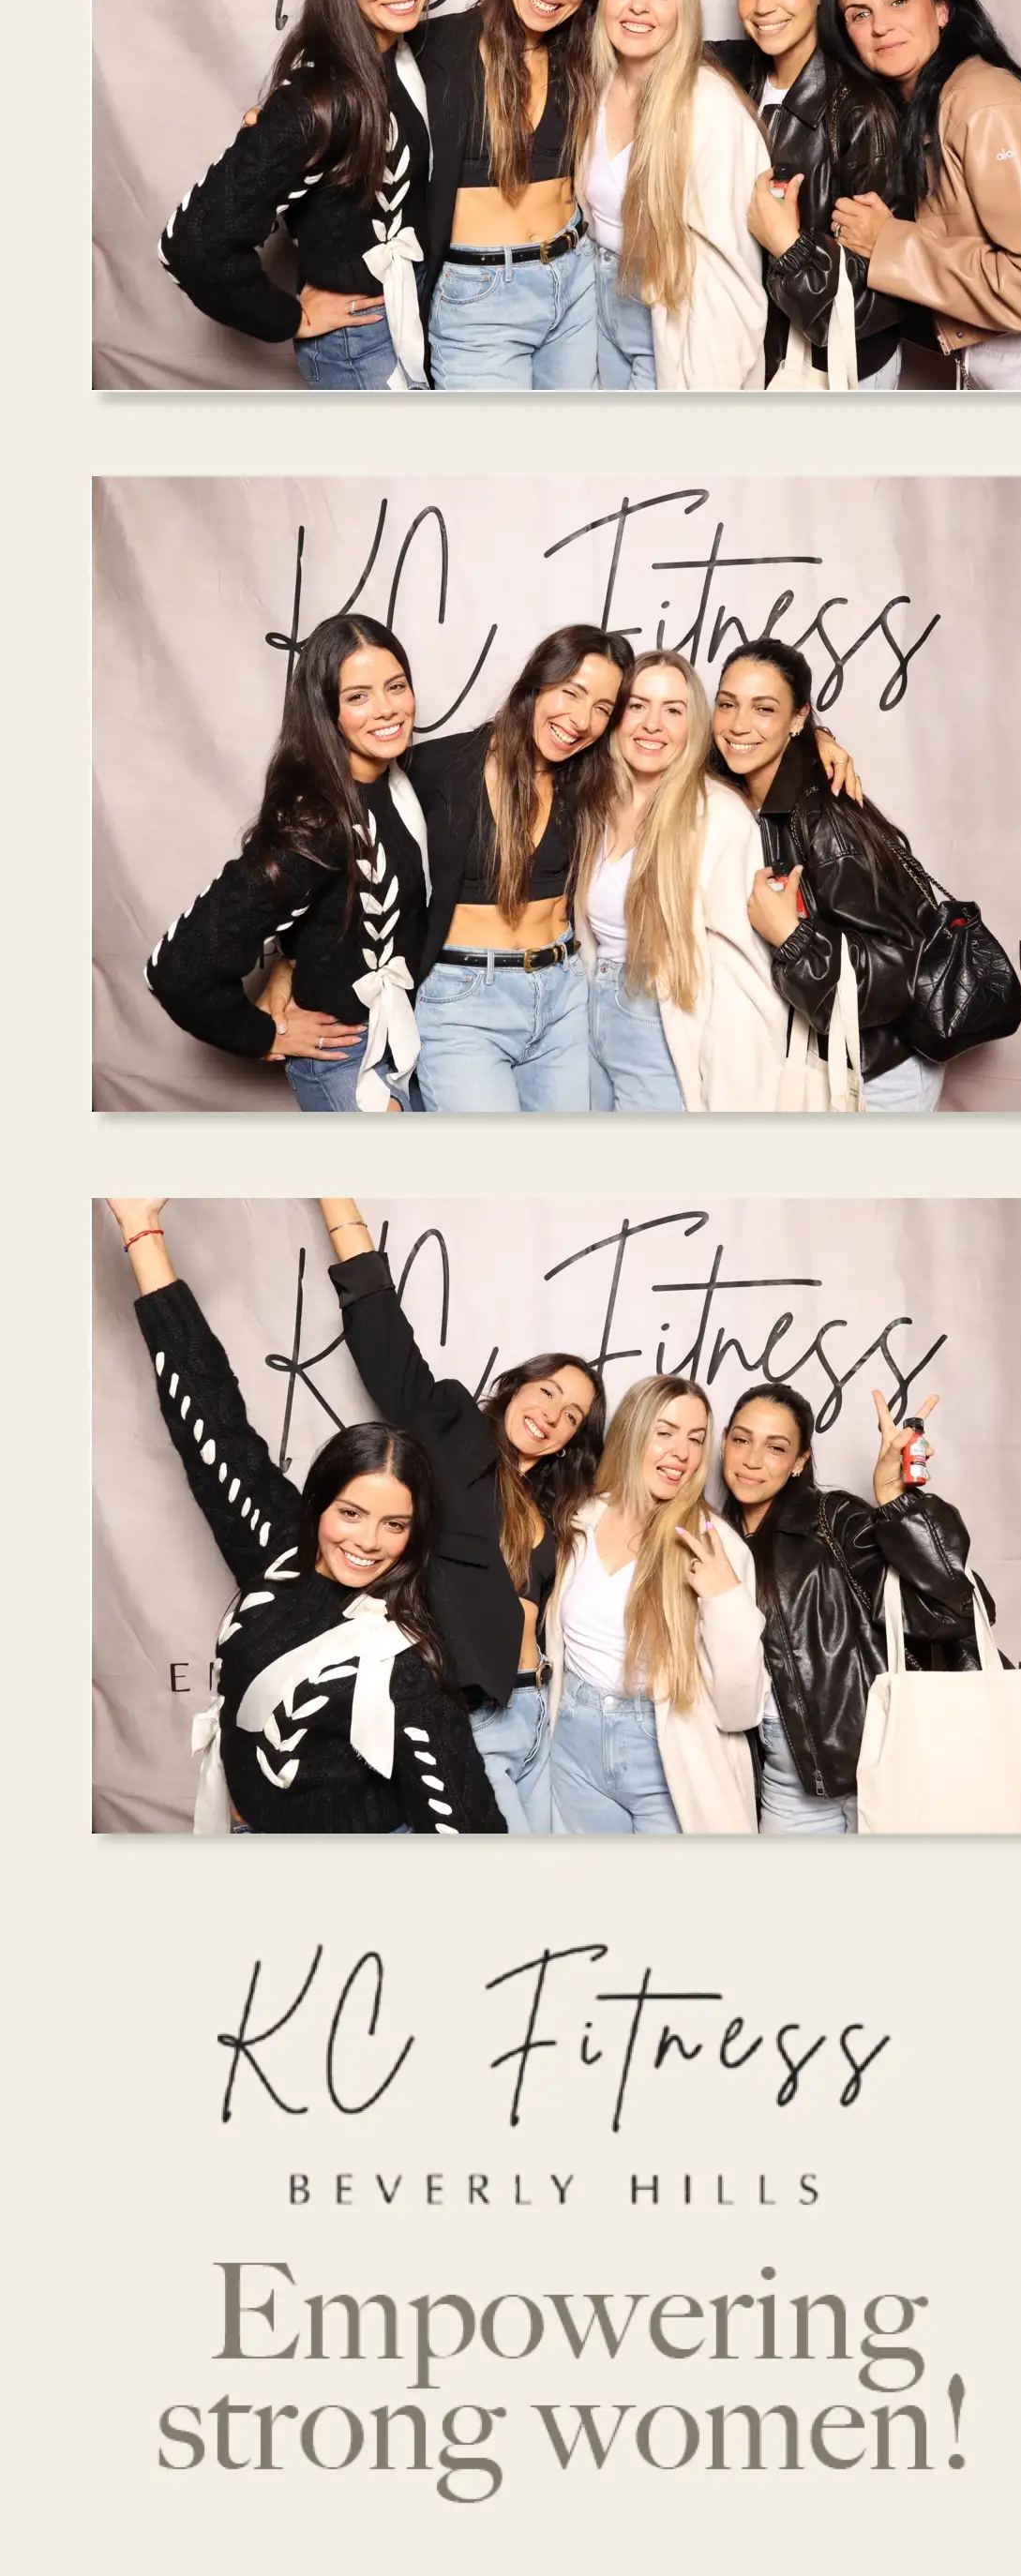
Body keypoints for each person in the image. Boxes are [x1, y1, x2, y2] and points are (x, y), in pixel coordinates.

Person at [106, 1200, 505, 1834]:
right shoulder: (279, 1550)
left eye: (394, 1525)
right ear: (319, 1501)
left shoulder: (406, 1659)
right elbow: (207, 1412)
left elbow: (470, 1829)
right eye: (351, 1512)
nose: (368, 1542)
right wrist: (141, 1230)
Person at [318, 1198, 605, 1832]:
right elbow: (386, 1344)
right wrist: (337, 1203)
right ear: (517, 1386)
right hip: (469, 1715)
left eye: (573, 1416)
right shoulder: (451, 1436)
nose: (552, 1416)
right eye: (547, 1392)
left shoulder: (557, 1507)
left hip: (536, 1716)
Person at [710, 638, 1021, 1112]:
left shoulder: (825, 824)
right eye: (727, 704)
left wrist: (793, 939)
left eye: (764, 709)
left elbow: (903, 968)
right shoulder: (752, 787)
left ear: (798, 718)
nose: (738, 725)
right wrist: (820, 736)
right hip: (834, 1062)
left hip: (881, 1075)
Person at [145, 617, 429, 1113]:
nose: (386, 709)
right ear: (327, 710)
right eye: (358, 696)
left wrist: (288, 961)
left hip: (396, 1038)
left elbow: (332, 909)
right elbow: (174, 970)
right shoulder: (315, 821)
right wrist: (264, 1035)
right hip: (341, 1056)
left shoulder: (396, 784)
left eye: (396, 687)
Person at [159, 0, 434, 390]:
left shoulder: (402, 54)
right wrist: (290, 317)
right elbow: (191, 244)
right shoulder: (317, 99)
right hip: (358, 344)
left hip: (412, 316)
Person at [574, 650, 861, 1111]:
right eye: (637, 705)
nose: (652, 724)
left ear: (695, 727)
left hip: (662, 1024)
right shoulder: (590, 801)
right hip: (585, 1014)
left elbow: (747, 974)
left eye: (673, 710)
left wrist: (730, 1090)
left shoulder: (717, 814)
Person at [719, 1380, 998, 1832]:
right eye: (741, 1440)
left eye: (775, 1447)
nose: (752, 1460)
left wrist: (896, 1500)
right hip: (789, 1777)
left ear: (799, 1462)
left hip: (884, 1760)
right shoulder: (714, 1538)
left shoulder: (832, 1519)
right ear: (724, 1442)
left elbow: (951, 1604)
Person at [406, 624, 631, 1114]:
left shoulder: (591, 782)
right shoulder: (435, 766)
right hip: (463, 1000)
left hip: (563, 996)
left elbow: (682, 748)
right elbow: (343, 835)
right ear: (537, 681)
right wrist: (288, 962)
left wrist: (810, 739)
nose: (581, 720)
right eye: (572, 692)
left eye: (602, 709)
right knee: (493, 1183)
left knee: (560, 1182)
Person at [546, 1378, 765, 1834]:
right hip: (574, 1743)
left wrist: (725, 1599)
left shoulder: (715, 1544)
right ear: (631, 1432)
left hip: (667, 1753)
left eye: (696, 1439)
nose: (682, 1453)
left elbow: (741, 1710)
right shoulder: (578, 1520)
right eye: (665, 1432)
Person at [820, 0, 1021, 391]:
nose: (880, 27)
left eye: (898, 2)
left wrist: (888, 243)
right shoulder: (926, 105)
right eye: (860, 15)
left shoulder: (983, 105)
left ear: (941, 10)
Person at [711, 0, 908, 391]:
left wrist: (790, 247)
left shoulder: (862, 112)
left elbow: (877, 301)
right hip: (757, 357)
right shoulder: (734, 80)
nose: (762, 7)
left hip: (833, 371)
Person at [422, 0, 605, 389]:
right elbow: (343, 80)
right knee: (497, 467)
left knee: (575, 462)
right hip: (480, 297)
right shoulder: (434, 46)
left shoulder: (584, 56)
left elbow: (672, 41)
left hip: (575, 282)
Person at [577, 0, 770, 391]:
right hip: (592, 302)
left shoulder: (710, 106)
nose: (638, 5)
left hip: (667, 311)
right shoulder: (593, 88)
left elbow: (734, 270)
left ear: (683, 9)